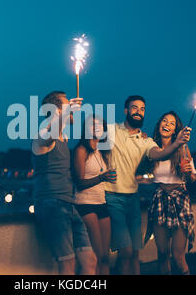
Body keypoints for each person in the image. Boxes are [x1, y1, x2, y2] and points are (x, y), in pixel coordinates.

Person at [105, 95, 191, 275]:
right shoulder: (122, 133)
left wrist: (180, 150)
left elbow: (166, 158)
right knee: (149, 253)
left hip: (158, 199)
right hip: (137, 199)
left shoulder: (162, 145)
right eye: (134, 107)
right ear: (126, 110)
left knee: (166, 256)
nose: (138, 111)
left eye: (142, 109)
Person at [31, 91, 97, 275]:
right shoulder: (42, 136)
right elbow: (50, 133)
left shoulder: (64, 138)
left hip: (70, 204)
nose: (73, 111)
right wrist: (67, 111)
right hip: (52, 204)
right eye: (66, 105)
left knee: (90, 261)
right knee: (67, 265)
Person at [144, 111, 196, 275]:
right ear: (159, 124)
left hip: (180, 200)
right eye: (164, 121)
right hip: (160, 200)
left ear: (176, 130)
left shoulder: (183, 148)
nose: (167, 124)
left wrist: (188, 172)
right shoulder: (151, 147)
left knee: (178, 256)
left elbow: (192, 178)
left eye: (171, 123)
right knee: (162, 255)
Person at [73, 114, 116, 275]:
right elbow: (79, 182)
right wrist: (102, 177)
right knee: (97, 256)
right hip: (85, 204)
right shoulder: (81, 150)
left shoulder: (102, 151)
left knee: (106, 257)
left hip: (101, 203)